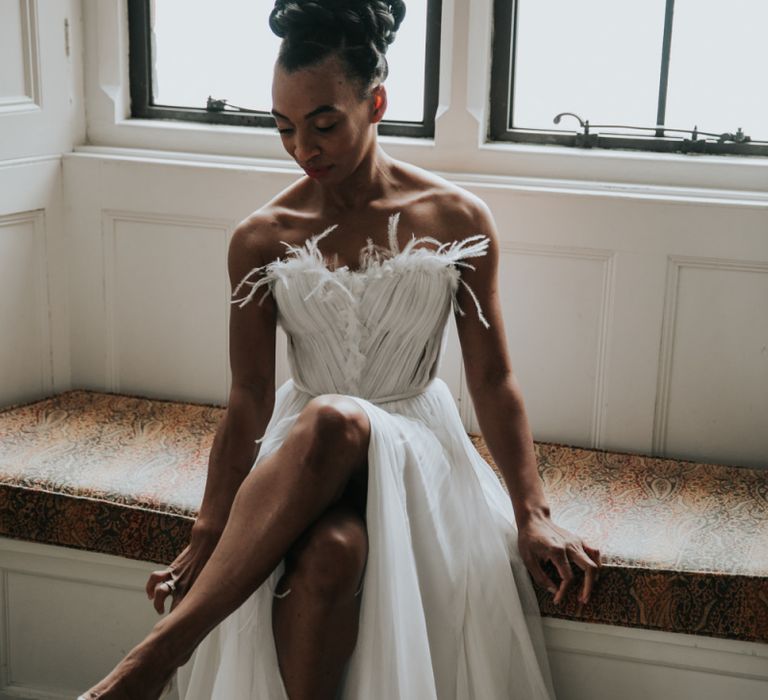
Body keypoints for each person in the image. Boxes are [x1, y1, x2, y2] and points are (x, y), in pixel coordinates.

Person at [79, 1, 601, 698]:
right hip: (304, 461)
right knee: (332, 553)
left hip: (416, 450)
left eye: (324, 124)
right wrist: (208, 530)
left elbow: (494, 379)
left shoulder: (456, 220)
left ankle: (153, 660)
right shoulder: (262, 237)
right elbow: (248, 399)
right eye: (285, 128)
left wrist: (532, 513)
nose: (304, 148)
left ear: (375, 102)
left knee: (336, 417)